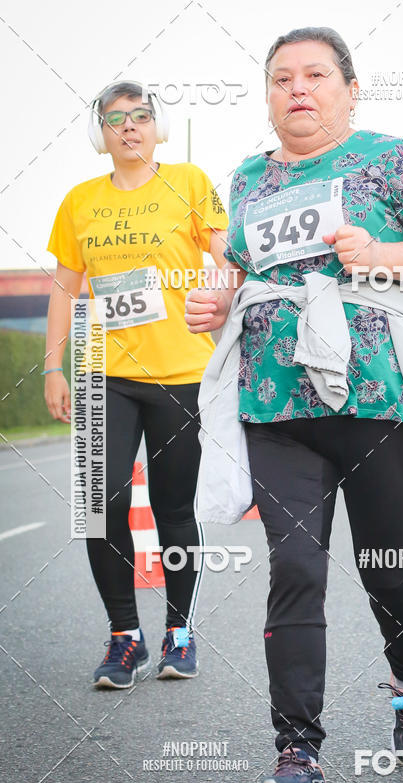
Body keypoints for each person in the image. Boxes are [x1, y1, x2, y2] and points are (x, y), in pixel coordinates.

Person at [185, 27, 403, 783]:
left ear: (349, 88)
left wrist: (378, 250)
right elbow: (241, 278)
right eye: (282, 78)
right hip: (274, 407)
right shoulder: (245, 178)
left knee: (384, 572)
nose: (297, 88)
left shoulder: (390, 157)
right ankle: (299, 759)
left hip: (374, 401)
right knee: (297, 569)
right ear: (268, 94)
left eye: (315, 75)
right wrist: (215, 306)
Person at [44, 80, 228, 688]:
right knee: (101, 504)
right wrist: (53, 365)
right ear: (101, 132)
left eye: (141, 116)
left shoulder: (191, 183)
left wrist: (223, 294)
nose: (129, 127)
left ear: (157, 127)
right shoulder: (80, 200)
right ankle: (125, 636)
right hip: (106, 375)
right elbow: (67, 287)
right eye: (115, 118)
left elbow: (226, 253)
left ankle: (179, 632)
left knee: (173, 508)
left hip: (181, 373)